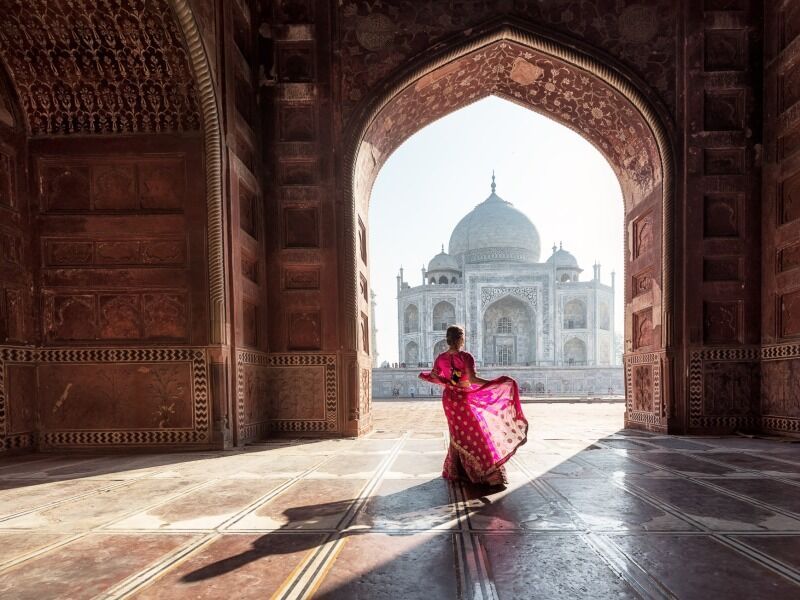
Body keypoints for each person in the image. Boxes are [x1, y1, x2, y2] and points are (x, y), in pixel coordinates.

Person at [419, 325, 528, 487]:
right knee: (475, 431)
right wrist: (493, 383)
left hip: (449, 399)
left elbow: (434, 376)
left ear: (448, 339)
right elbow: (473, 380)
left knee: (458, 434)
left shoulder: (441, 358)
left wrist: (446, 382)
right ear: (461, 339)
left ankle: (457, 470)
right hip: (462, 397)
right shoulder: (465, 357)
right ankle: (483, 470)